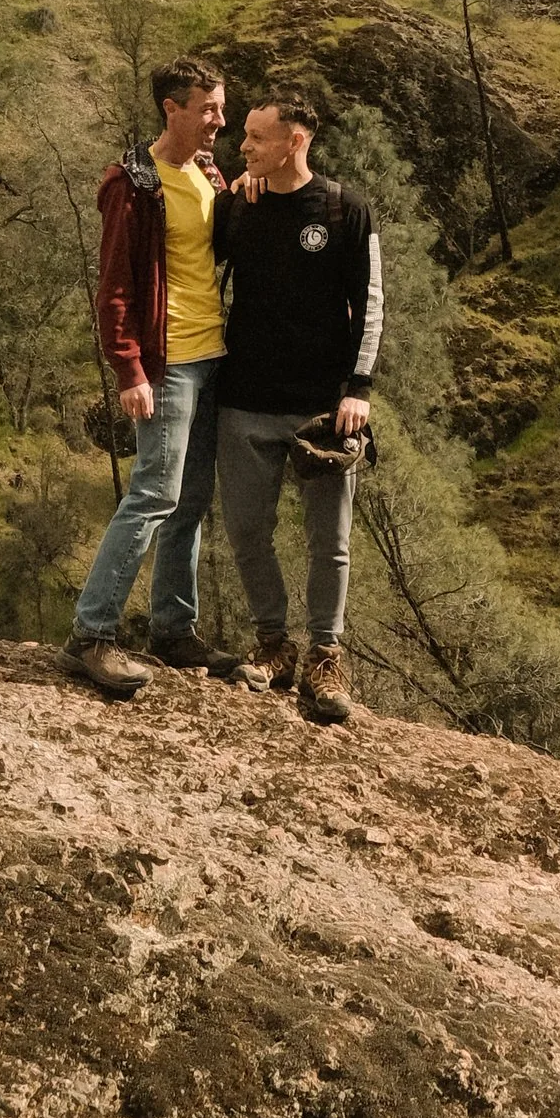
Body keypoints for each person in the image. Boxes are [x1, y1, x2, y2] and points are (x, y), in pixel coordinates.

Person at [61, 59, 254, 701]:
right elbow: (114, 284)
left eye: (221, 109)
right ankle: (91, 636)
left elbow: (213, 252)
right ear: (172, 108)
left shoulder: (207, 173)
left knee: (192, 500)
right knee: (154, 494)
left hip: (211, 358)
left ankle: (175, 629)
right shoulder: (133, 183)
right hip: (165, 366)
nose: (220, 122)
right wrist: (129, 369)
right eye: (209, 109)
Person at [213, 87, 381, 727]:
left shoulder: (344, 209)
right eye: (244, 136)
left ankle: (325, 657)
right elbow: (193, 261)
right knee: (248, 530)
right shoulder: (239, 207)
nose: (244, 146)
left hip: (322, 409)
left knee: (329, 542)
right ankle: (274, 645)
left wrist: (357, 388)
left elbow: (369, 302)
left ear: (296, 141)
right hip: (245, 397)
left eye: (256, 137)